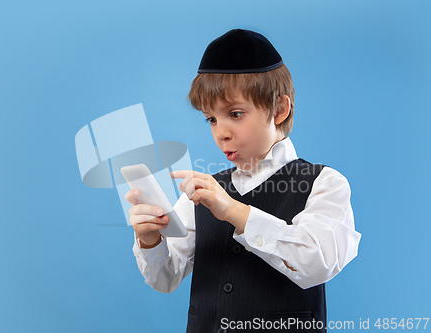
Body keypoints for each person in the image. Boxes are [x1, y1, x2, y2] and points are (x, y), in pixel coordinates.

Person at [125, 29, 361, 333]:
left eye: (235, 114)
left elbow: (318, 262)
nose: (220, 132)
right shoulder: (203, 193)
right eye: (211, 118)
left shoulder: (324, 183)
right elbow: (165, 278)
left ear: (279, 109)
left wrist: (233, 211)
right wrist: (150, 239)